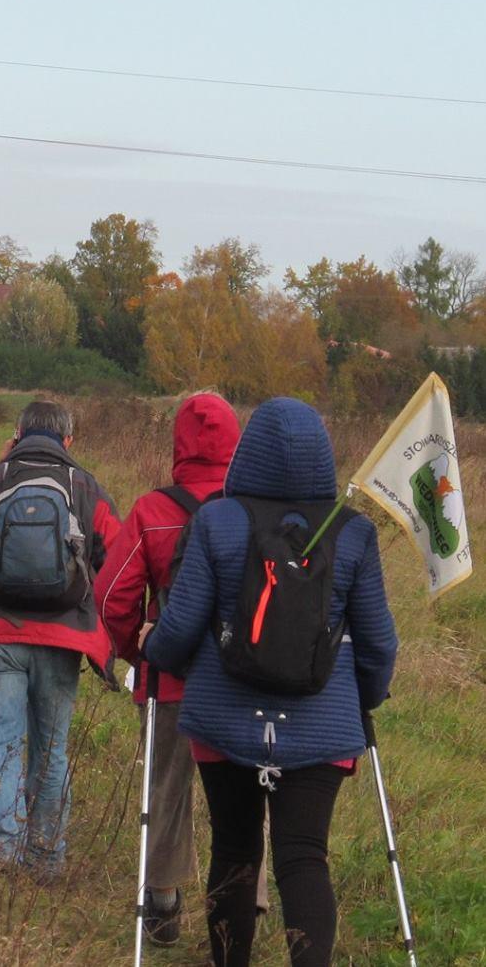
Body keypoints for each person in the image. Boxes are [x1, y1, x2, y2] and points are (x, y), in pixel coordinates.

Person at [145, 397, 398, 967]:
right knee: (304, 856)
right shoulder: (352, 533)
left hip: (223, 722)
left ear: (248, 454)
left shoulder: (216, 521)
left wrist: (152, 650)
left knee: (235, 850)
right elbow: (380, 642)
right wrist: (364, 699)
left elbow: (180, 626)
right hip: (321, 729)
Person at [0, 400, 121, 875]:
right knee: (51, 749)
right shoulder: (86, 487)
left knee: (2, 742)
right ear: (69, 441)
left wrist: (0, 466)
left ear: (17, 434)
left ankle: (4, 854)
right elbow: (117, 556)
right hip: (64, 639)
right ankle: (45, 856)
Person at [95, 392, 245, 946]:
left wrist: (138, 652)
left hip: (172, 680)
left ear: (179, 443)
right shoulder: (253, 509)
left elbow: (111, 596)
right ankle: (241, 905)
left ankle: (162, 905)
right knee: (244, 798)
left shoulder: (151, 512)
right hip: (244, 681)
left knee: (166, 791)